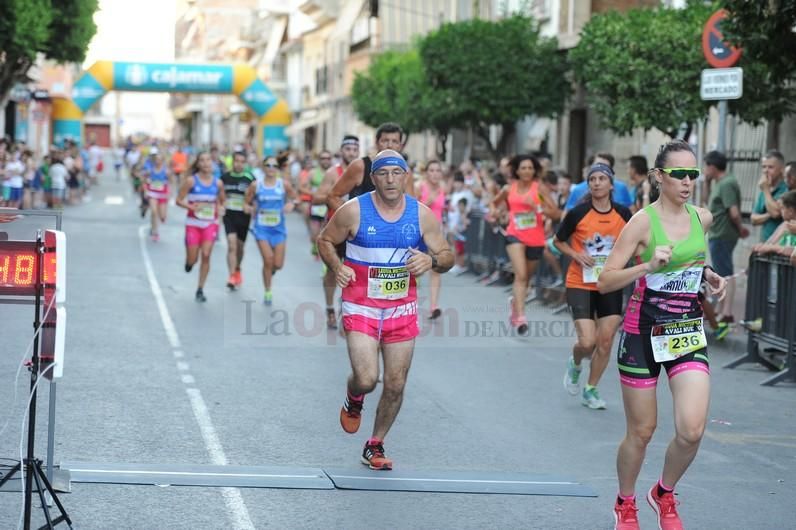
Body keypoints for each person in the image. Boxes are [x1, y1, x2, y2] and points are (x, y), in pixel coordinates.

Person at [597, 139, 726, 530]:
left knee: (692, 429)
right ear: (658, 177)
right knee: (642, 431)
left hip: (686, 332)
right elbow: (605, 281)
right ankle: (626, 501)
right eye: (679, 175)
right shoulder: (641, 222)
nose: (688, 182)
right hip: (641, 334)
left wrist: (707, 274)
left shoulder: (702, 217)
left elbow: (692, 259)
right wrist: (647, 266)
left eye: (693, 174)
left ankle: (664, 493)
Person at [317, 149, 453, 470]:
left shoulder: (421, 215)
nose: (390, 179)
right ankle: (355, 397)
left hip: (401, 308)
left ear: (406, 176)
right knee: (367, 378)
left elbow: (447, 256)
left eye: (397, 172)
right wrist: (337, 266)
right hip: (361, 302)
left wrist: (431, 260)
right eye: (383, 173)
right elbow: (324, 240)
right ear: (373, 178)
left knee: (395, 383)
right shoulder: (353, 211)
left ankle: (375, 444)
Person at [556, 163, 632, 410]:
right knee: (587, 342)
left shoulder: (623, 215)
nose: (597, 183)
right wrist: (576, 255)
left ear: (611, 184)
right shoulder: (578, 213)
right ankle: (576, 363)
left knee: (606, 341)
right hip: (580, 283)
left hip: (609, 283)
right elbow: (557, 241)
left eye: (602, 178)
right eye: (592, 179)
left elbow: (637, 243)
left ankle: (591, 388)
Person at [489, 154, 556, 334]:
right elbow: (493, 203)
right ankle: (520, 317)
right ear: (516, 170)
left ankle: (514, 304)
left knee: (526, 278)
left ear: (534, 170)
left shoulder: (539, 188)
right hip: (514, 235)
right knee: (521, 274)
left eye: (530, 168)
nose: (527, 171)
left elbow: (555, 213)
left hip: (535, 237)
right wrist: (495, 213)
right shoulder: (509, 188)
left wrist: (537, 208)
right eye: (523, 168)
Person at [314, 135, 360, 328]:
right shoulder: (334, 173)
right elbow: (316, 198)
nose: (351, 152)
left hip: (355, 229)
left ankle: (348, 308)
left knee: (356, 272)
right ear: (342, 151)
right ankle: (330, 307)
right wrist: (334, 195)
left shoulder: (362, 172)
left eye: (355, 149)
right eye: (348, 149)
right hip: (335, 228)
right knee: (333, 272)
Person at [703, 150, 748, 334]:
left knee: (725, 274)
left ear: (712, 167)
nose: (705, 170)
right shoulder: (719, 183)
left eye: (706, 166)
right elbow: (707, 204)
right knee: (722, 271)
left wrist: (740, 229)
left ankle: (726, 312)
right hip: (717, 234)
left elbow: (734, 212)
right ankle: (722, 311)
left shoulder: (727, 183)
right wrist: (706, 182)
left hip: (723, 234)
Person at [244, 156, 297, 305]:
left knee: (278, 264)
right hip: (261, 229)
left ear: (278, 168)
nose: (271, 168)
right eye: (268, 165)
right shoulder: (256, 185)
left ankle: (271, 269)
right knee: (268, 259)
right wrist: (249, 208)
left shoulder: (283, 185)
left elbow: (295, 198)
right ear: (263, 167)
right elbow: (245, 202)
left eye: (274, 165)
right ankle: (268, 291)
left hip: (278, 230)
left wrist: (291, 204)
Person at [327, 122, 415, 213]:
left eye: (394, 141)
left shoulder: (406, 171)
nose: (390, 145)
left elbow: (411, 207)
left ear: (400, 146)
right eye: (385, 141)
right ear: (376, 143)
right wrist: (355, 219)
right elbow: (333, 197)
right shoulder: (360, 166)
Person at [176, 152, 227, 302]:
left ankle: (200, 289)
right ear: (198, 164)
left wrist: (222, 208)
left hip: (210, 224)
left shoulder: (218, 183)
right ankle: (189, 263)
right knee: (193, 259)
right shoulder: (191, 181)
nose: (206, 163)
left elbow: (223, 201)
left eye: (208, 160)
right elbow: (178, 200)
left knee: (206, 254)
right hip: (193, 224)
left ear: (212, 163)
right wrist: (191, 207)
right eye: (202, 161)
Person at [416, 160, 447, 319]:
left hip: (436, 234)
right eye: (432, 170)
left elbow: (442, 211)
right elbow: (412, 208)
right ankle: (408, 302)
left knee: (436, 269)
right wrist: (429, 200)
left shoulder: (443, 189)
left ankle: (434, 306)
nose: (435, 173)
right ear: (426, 172)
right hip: (419, 233)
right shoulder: (420, 186)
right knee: (416, 269)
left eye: (437, 170)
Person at [221, 151, 255, 289]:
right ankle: (231, 276)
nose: (239, 164)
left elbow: (256, 196)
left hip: (243, 217)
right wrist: (220, 204)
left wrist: (251, 206)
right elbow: (219, 194)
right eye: (237, 161)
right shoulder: (225, 177)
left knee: (240, 248)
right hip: (229, 216)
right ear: (232, 162)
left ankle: (238, 268)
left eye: (242, 161)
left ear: (245, 163)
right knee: (231, 245)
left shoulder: (250, 178)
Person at [566, 153, 634, 211]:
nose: (600, 169)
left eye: (604, 167)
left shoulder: (621, 188)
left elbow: (631, 211)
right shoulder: (578, 189)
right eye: (597, 165)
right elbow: (567, 216)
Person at [299, 150, 333, 259]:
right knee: (315, 234)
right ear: (319, 160)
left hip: (330, 207)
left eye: (328, 158)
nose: (326, 161)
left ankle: (324, 256)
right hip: (316, 207)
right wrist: (314, 193)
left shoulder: (334, 172)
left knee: (327, 236)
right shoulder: (313, 173)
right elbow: (301, 187)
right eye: (323, 158)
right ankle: (315, 244)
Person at [751, 149, 788, 242]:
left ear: (781, 169)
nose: (766, 171)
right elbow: (754, 219)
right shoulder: (765, 189)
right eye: (763, 167)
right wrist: (769, 214)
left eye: (770, 167)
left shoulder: (786, 188)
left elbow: (775, 213)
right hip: (766, 242)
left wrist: (766, 190)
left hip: (783, 243)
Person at [753, 190, 796, 263]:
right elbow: (770, 242)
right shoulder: (784, 226)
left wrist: (772, 248)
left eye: (782, 208)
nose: (780, 211)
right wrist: (762, 246)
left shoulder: (788, 227)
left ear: (791, 211)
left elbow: (792, 252)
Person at [143, 149, 171, 242]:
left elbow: (171, 182)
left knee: (162, 216)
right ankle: (155, 231)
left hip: (162, 194)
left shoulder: (166, 171)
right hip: (152, 193)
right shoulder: (150, 170)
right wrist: (146, 190)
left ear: (162, 161)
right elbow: (144, 179)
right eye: (156, 159)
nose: (157, 161)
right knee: (154, 211)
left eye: (159, 159)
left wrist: (170, 193)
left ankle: (155, 224)